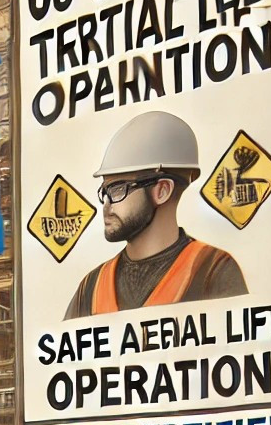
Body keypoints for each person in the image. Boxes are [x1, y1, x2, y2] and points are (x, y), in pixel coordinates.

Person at [64, 110, 247, 319]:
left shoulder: (213, 271)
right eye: (105, 191)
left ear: (162, 191)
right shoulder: (91, 288)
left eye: (118, 189)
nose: (106, 205)